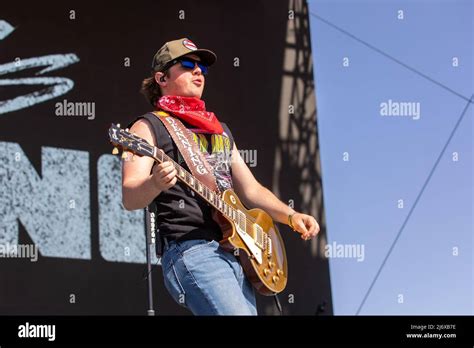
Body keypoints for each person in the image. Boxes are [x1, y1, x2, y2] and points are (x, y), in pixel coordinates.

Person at [122, 38, 320, 315]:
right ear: (161, 77)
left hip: (235, 254)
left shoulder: (219, 131)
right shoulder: (147, 126)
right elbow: (130, 196)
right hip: (192, 250)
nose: (198, 71)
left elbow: (250, 190)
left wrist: (290, 216)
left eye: (202, 67)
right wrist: (154, 183)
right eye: (188, 65)